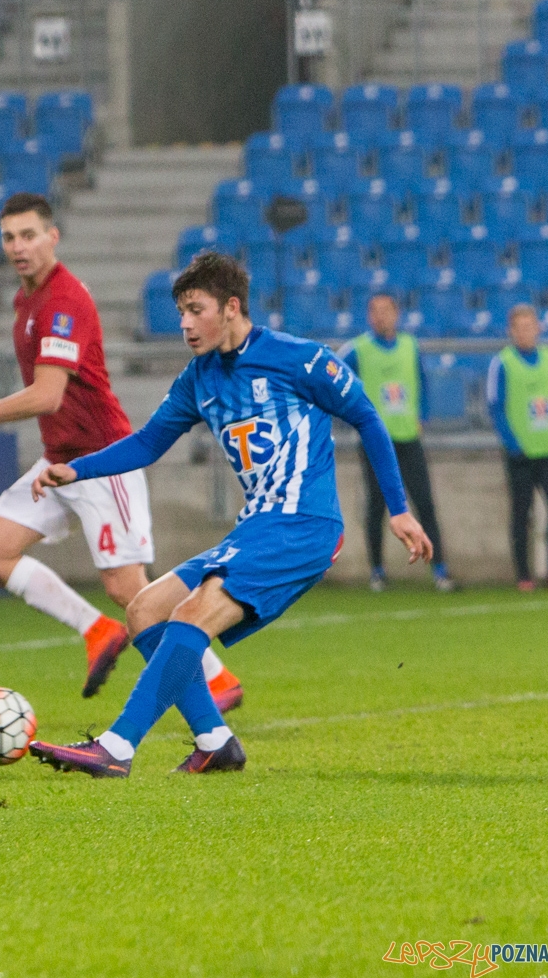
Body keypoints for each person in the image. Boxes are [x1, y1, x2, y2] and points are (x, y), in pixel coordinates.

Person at [27, 252, 431, 777]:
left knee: (195, 613)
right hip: (258, 525)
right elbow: (148, 443)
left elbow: (368, 418)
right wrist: (74, 471)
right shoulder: (199, 379)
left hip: (302, 525)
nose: (185, 324)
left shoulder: (300, 359)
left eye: (196, 309)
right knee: (146, 610)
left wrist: (399, 510)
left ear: (232, 307)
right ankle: (216, 741)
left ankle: (116, 748)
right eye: (180, 312)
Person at [0, 193, 243, 711]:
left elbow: (48, 395)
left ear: (53, 237)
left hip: (101, 458)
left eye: (28, 235)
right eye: (8, 237)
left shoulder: (63, 300)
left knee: (130, 589)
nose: (18, 247)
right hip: (59, 460)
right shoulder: (27, 301)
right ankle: (96, 632)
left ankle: (216, 677)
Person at [338, 293, 454, 592]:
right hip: (376, 442)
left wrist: (422, 416)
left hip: (408, 438)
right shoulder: (357, 350)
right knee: (376, 507)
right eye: (374, 311)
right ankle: (377, 571)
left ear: (397, 314)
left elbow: (423, 383)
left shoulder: (410, 346)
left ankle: (440, 569)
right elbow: (334, 381)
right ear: (368, 316)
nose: (381, 316)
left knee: (425, 503)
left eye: (386, 310)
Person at [487, 304, 548, 592]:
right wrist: (512, 444)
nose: (525, 332)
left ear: (538, 328)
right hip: (521, 454)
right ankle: (524, 575)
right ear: (511, 332)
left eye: (530, 326)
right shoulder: (503, 362)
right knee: (521, 514)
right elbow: (495, 407)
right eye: (519, 328)